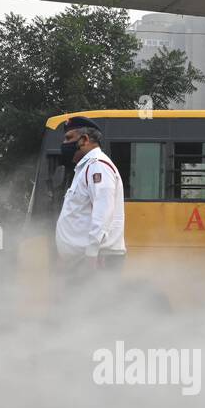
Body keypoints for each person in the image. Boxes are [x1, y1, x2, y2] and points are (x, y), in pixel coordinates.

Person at [54, 116, 126, 285]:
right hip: (83, 259)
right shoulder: (85, 168)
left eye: (69, 138)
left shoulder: (97, 166)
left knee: (90, 309)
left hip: (95, 260)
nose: (64, 143)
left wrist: (91, 255)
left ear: (85, 140)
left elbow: (103, 214)